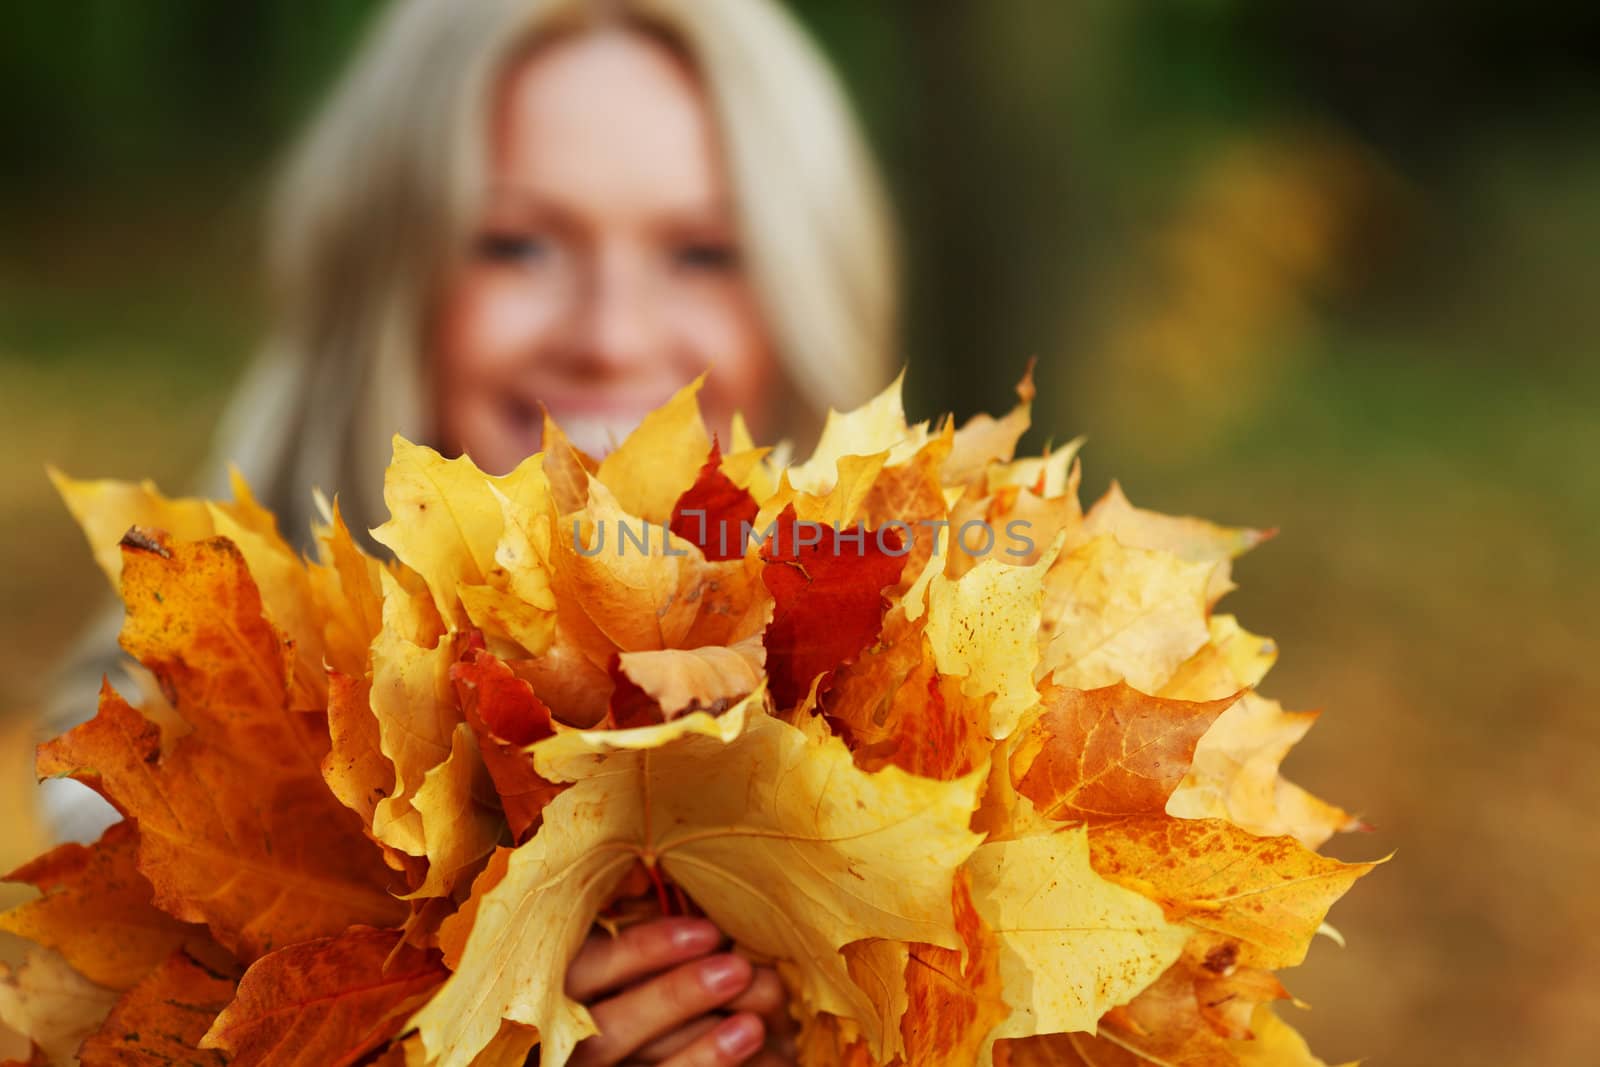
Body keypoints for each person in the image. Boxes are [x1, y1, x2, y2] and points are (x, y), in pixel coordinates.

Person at [39, 1, 901, 1063]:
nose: (611, 333)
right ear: (379, 289)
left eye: (702, 251)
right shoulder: (155, 827)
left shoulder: (971, 797)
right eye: (517, 243)